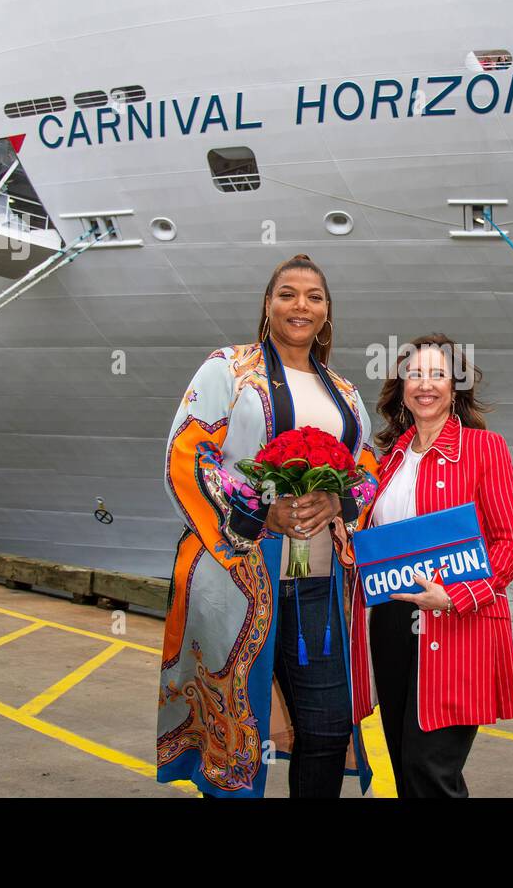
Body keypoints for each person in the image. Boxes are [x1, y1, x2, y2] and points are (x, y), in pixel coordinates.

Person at [157, 254, 380, 798]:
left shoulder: (345, 393)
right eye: (287, 293)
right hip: (236, 579)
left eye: (313, 296)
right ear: (268, 304)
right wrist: (262, 510)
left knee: (327, 727)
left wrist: (339, 503)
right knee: (234, 730)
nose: (300, 305)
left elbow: (368, 464)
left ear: (327, 313)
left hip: (319, 587)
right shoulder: (227, 368)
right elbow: (186, 455)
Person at [333, 332, 513, 797]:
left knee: (431, 771)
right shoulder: (388, 461)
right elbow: (376, 544)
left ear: (455, 387)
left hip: (456, 623)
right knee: (404, 767)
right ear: (401, 386)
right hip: (390, 622)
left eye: (438, 374)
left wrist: (455, 596)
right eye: (414, 374)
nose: (426, 384)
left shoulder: (485, 450)